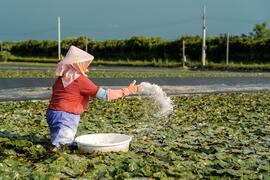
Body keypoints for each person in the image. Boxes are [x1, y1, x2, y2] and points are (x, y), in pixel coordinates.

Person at [46, 45, 140, 149]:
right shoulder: (80, 80)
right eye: (85, 64)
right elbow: (104, 95)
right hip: (66, 117)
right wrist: (128, 90)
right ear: (78, 65)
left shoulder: (62, 77)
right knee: (63, 147)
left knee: (57, 142)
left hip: (52, 113)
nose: (87, 67)